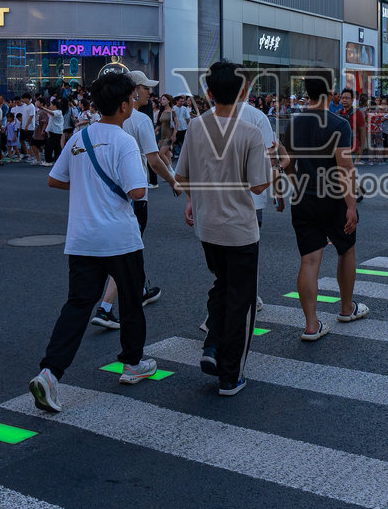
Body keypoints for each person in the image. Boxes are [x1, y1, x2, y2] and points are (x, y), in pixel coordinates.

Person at [27, 71, 158, 412]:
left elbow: (55, 180)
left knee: (77, 305)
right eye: (131, 99)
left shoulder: (79, 137)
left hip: (82, 236)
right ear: (124, 105)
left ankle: (50, 373)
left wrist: (87, 186)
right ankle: (133, 363)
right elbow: (137, 191)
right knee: (131, 299)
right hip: (119, 237)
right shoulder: (124, 141)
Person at [174, 62, 272, 396]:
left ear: (209, 92)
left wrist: (198, 198)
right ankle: (231, 375)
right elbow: (259, 186)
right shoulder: (250, 132)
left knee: (221, 285)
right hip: (240, 228)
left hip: (207, 227)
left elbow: (182, 176)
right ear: (243, 92)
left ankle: (212, 346)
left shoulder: (195, 127)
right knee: (241, 300)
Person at [90, 68, 180, 329]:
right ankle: (106, 307)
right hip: (135, 192)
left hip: (110, 191)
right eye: (145, 88)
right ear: (134, 91)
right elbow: (154, 159)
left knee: (133, 246)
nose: (150, 92)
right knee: (126, 249)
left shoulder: (104, 119)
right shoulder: (139, 120)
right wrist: (172, 180)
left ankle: (141, 289)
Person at [282, 73, 367, 341]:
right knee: (346, 249)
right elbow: (345, 167)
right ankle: (346, 308)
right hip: (333, 198)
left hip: (303, 197)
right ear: (330, 93)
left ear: (307, 93)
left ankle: (311, 325)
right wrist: (351, 205)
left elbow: (288, 163)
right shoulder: (339, 124)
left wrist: (296, 185)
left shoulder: (293, 124)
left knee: (309, 260)